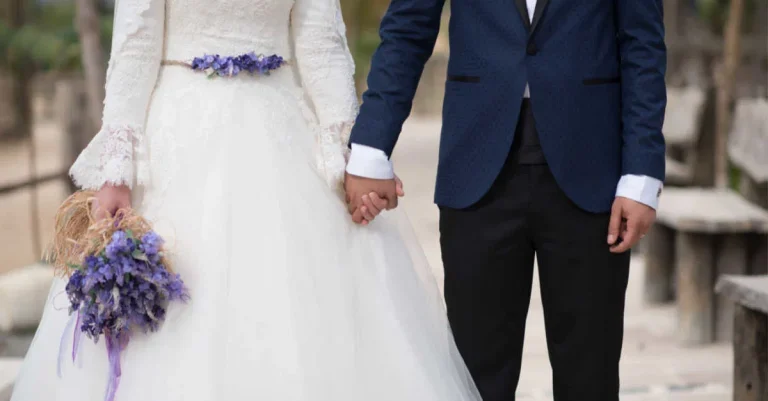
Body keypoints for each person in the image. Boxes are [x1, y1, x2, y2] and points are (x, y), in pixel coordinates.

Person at [10, 0, 481, 399]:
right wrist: (117, 172)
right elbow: (135, 45)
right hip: (179, 137)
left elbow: (321, 46)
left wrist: (345, 159)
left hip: (284, 137)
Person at [344, 0, 667, 400]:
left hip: (591, 171)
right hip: (476, 168)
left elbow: (642, 45)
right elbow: (408, 29)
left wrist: (641, 173)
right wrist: (371, 147)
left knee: (590, 377)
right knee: (474, 379)